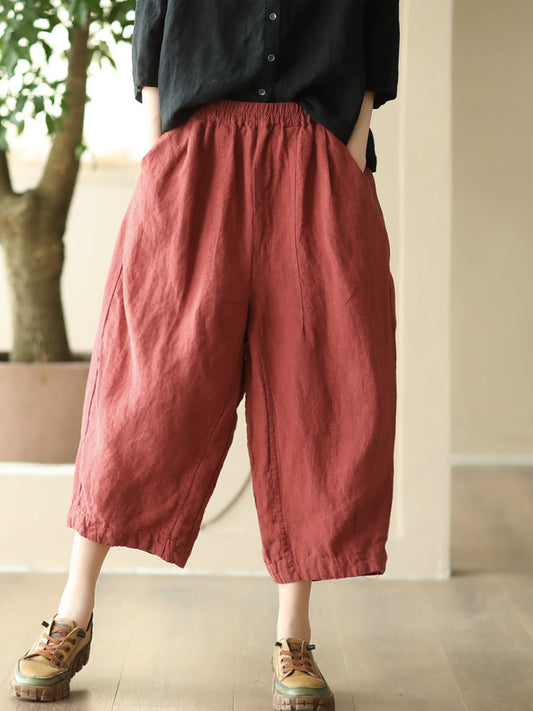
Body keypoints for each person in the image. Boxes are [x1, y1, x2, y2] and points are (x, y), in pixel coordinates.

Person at [9, 1, 400, 708]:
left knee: (314, 395)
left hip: (316, 159)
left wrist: (347, 154)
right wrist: (160, 149)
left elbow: (375, 38)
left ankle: (293, 635)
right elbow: (152, 28)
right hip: (196, 155)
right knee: (142, 392)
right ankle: (73, 612)